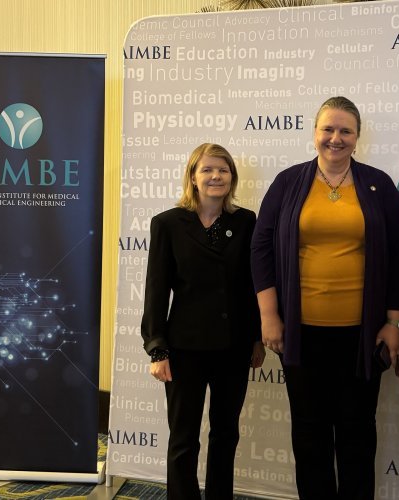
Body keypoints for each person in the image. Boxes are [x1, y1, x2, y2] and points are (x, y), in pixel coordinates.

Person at [250, 96, 399, 500]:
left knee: (357, 432)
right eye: (328, 129)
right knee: (309, 431)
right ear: (315, 132)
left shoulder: (378, 185)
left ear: (357, 137)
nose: (335, 138)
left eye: (345, 131)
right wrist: (269, 316)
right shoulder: (289, 182)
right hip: (301, 336)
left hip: (362, 337)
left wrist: (393, 323)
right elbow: (261, 247)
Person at [141, 143, 265, 500]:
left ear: (232, 178)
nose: (216, 176)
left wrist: (256, 338)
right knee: (183, 437)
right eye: (208, 170)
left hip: (234, 346)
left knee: (226, 433)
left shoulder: (245, 221)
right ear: (193, 177)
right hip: (184, 348)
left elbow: (250, 286)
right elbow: (156, 290)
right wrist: (156, 348)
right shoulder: (167, 223)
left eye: (223, 170)